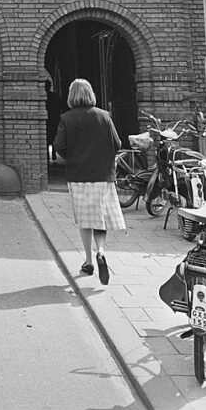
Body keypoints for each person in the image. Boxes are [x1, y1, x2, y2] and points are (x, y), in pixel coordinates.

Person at [53, 78, 125, 284]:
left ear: (71, 96)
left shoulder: (67, 118)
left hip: (79, 175)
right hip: (102, 175)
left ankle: (88, 261)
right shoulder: (105, 116)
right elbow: (117, 143)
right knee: (100, 217)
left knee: (85, 219)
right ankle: (100, 251)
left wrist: (74, 156)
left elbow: (59, 145)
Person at [44, 79, 63, 162]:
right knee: (53, 137)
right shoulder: (54, 96)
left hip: (47, 120)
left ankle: (47, 156)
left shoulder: (44, 97)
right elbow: (60, 107)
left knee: (47, 138)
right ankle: (54, 154)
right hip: (54, 120)